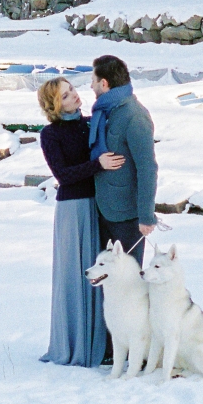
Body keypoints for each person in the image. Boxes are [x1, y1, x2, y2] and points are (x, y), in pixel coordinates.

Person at [37, 75, 124, 367]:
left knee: (97, 274)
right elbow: (63, 175)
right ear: (54, 106)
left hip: (96, 205)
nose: (73, 95)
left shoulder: (90, 123)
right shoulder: (50, 135)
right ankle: (75, 345)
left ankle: (100, 344)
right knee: (75, 275)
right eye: (64, 96)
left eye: (71, 90)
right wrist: (96, 165)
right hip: (73, 209)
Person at [89, 54, 158, 265]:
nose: (90, 86)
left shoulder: (134, 116)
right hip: (103, 210)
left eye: (92, 80)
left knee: (129, 281)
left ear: (104, 83)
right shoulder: (105, 112)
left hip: (127, 217)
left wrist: (146, 215)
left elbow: (147, 168)